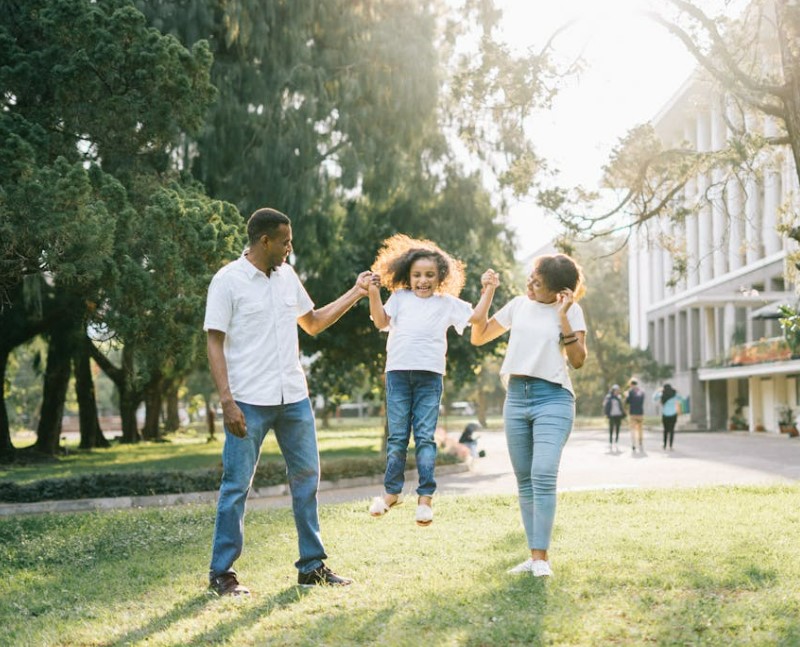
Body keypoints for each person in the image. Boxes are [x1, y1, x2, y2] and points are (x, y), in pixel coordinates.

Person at [204, 207, 371, 596]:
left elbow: (312, 322)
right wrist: (227, 402)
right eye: (285, 241)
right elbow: (214, 341)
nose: (290, 248)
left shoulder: (287, 277)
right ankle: (222, 573)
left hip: (294, 398)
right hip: (248, 400)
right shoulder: (228, 281)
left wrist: (356, 292)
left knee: (307, 480)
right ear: (265, 240)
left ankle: (311, 567)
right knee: (236, 486)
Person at [366, 234, 496, 526]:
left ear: (441, 277)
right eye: (416, 275)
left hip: (429, 377)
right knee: (398, 438)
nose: (422, 281)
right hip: (398, 374)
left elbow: (476, 317)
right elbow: (380, 322)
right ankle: (391, 494)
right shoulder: (399, 298)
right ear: (407, 276)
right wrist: (373, 293)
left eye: (429, 275)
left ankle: (425, 500)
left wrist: (488, 290)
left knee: (425, 437)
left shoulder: (446, 303)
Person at [471, 253, 587, 578]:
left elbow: (578, 359)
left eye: (539, 283)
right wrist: (488, 292)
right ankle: (535, 557)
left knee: (543, 473)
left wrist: (563, 316)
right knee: (525, 481)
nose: (531, 285)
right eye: (532, 278)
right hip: (517, 399)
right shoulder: (518, 305)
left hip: (553, 398)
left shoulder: (572, 310)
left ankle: (541, 560)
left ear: (559, 291)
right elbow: (478, 336)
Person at [654, 383, 680, 450]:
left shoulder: (662, 394)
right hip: (673, 415)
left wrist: (658, 391)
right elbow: (681, 398)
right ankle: (671, 445)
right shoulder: (675, 394)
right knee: (672, 430)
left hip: (665, 415)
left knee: (665, 430)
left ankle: (665, 445)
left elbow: (654, 397)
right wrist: (677, 391)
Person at [625, 378, 646, 452]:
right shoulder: (641, 391)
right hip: (640, 413)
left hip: (633, 413)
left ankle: (634, 444)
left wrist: (626, 395)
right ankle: (640, 442)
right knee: (640, 429)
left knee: (633, 429)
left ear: (631, 384)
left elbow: (627, 402)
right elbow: (642, 401)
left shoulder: (630, 392)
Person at [603, 384, 625, 451]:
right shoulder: (609, 397)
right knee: (611, 429)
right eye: (615, 390)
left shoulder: (619, 397)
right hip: (611, 415)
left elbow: (621, 406)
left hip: (618, 415)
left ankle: (616, 441)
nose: (616, 391)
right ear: (613, 390)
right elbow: (604, 404)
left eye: (617, 390)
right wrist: (606, 413)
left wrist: (623, 413)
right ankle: (610, 442)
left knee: (618, 428)